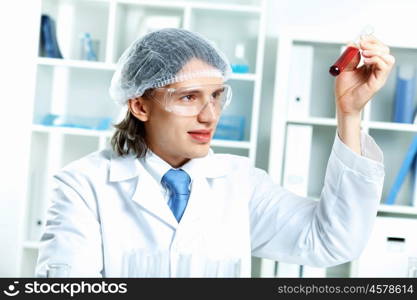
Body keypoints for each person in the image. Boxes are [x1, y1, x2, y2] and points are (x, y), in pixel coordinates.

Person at [36, 28, 394, 277]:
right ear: (140, 106)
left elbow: (331, 242)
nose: (210, 116)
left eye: (216, 96)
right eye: (189, 97)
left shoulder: (241, 183)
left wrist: (350, 113)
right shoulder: (82, 187)